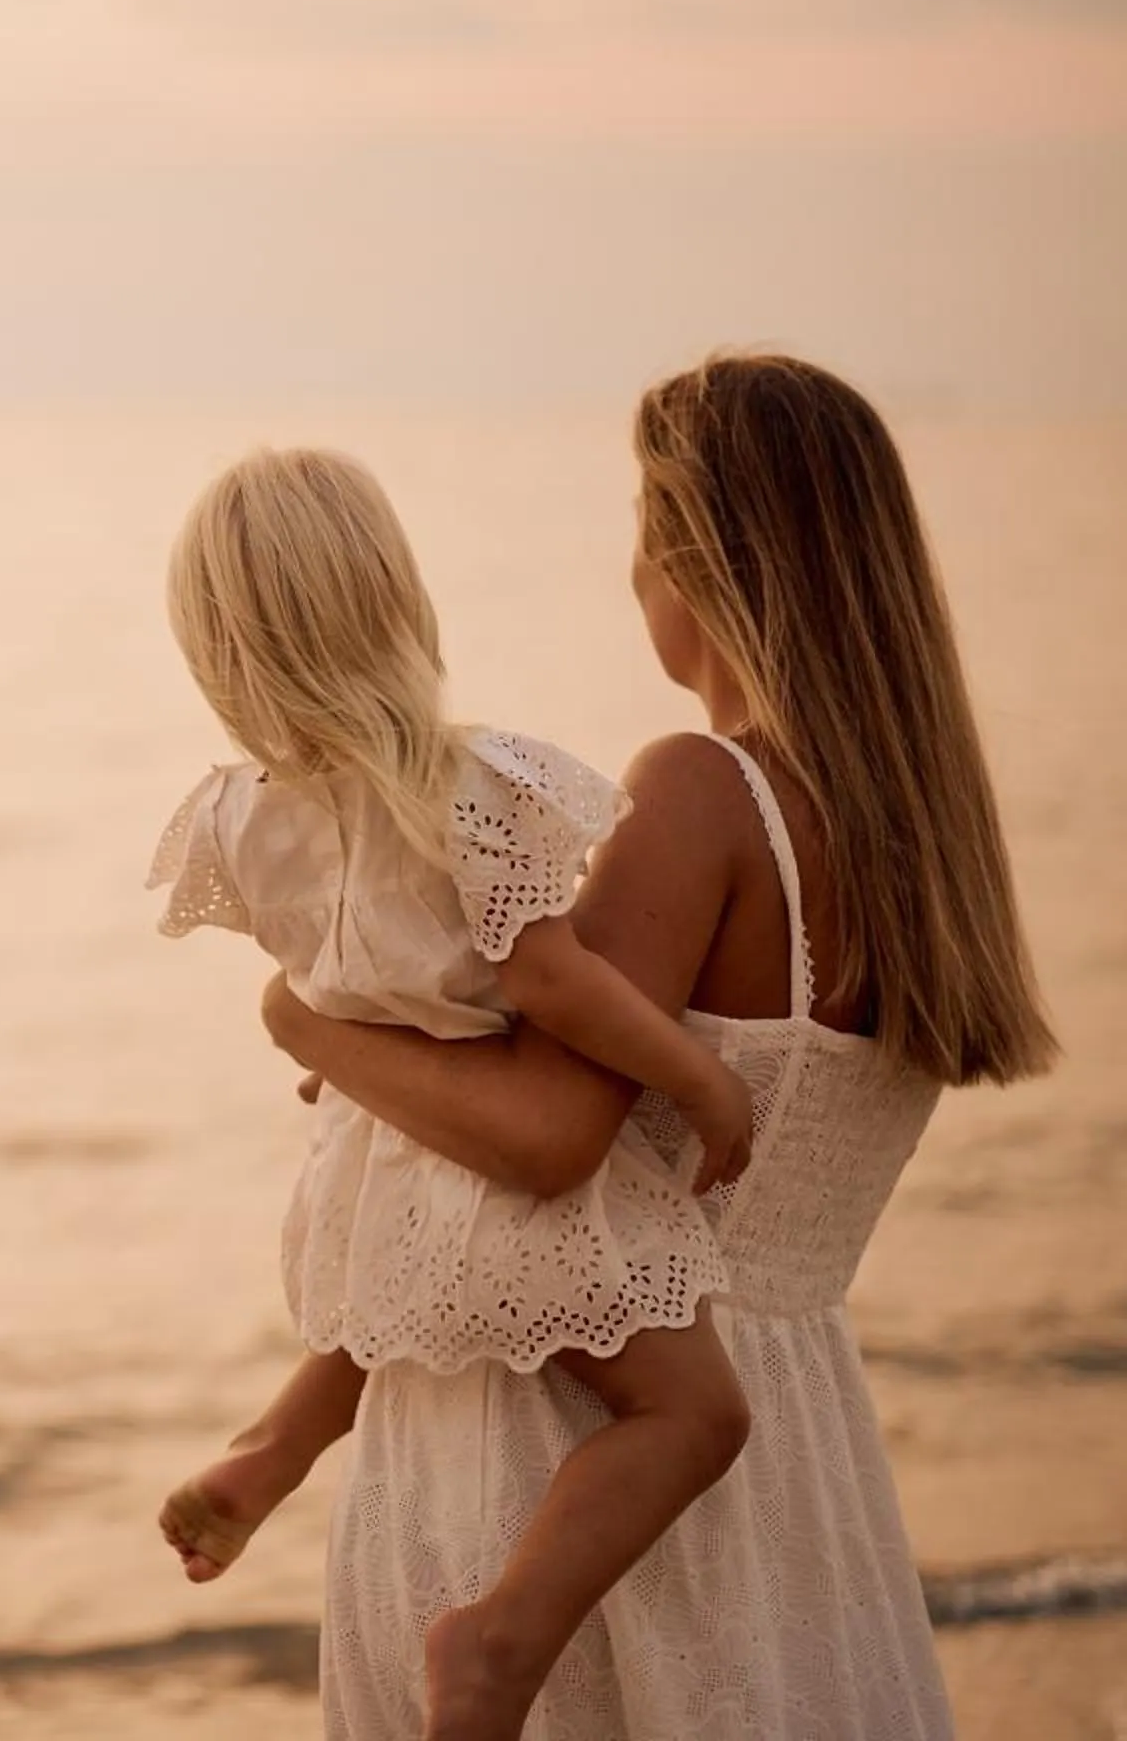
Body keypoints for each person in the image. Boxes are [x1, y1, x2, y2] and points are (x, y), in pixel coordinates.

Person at [264, 355, 1056, 1739]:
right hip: (793, 1446)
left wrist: (306, 1017)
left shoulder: (702, 793)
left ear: (690, 554)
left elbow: (546, 1137)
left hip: (554, 1460)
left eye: (644, 522)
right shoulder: (924, 849)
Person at [144, 448, 756, 1741]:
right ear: (396, 601)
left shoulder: (238, 823)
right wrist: (699, 1080)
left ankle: (275, 1443)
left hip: (376, 1169)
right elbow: (551, 987)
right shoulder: (473, 792)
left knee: (382, 1315)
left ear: (215, 651)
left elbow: (336, 977)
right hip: (501, 1175)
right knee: (695, 1411)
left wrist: (330, 1047)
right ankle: (503, 1635)